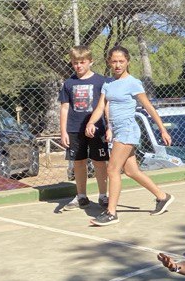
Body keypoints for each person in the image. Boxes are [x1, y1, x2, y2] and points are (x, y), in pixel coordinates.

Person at [84, 46, 174, 226]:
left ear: (127, 62)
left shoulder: (133, 82)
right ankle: (162, 197)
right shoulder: (108, 83)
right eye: (114, 61)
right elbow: (101, 107)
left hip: (128, 130)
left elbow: (148, 107)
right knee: (131, 171)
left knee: (112, 169)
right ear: (109, 62)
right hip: (117, 130)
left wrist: (162, 129)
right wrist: (91, 122)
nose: (117, 65)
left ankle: (111, 212)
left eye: (121, 61)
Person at [57, 45, 110, 211]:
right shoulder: (68, 83)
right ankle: (81, 196)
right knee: (78, 163)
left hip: (97, 129)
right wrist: (63, 131)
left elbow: (106, 106)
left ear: (90, 62)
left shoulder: (101, 81)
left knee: (99, 162)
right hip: (74, 129)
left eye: (82, 62)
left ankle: (103, 196)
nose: (78, 65)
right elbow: (65, 107)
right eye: (75, 62)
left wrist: (109, 127)